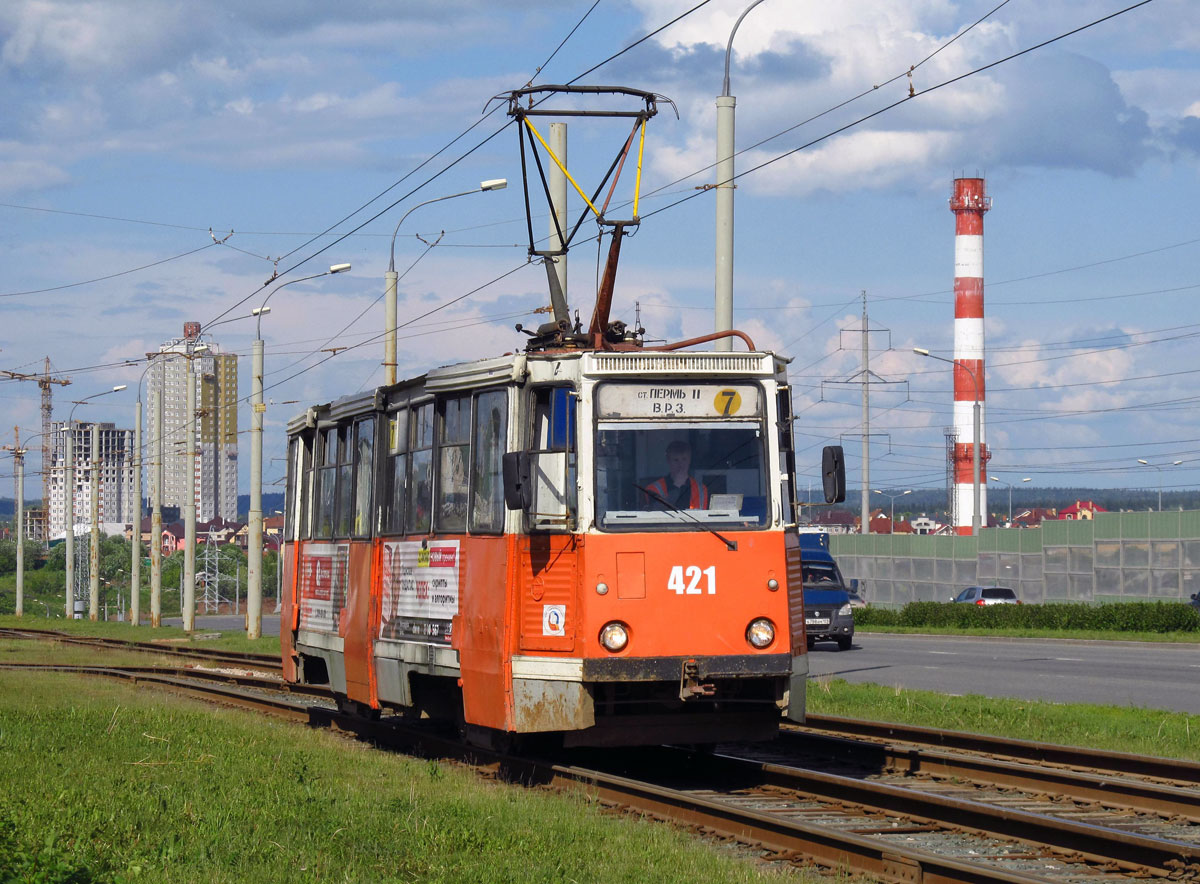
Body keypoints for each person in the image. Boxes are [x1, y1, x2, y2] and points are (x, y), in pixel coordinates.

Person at [646, 439, 709, 509]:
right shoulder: (654, 488)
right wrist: (676, 487)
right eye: (676, 460)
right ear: (668, 461)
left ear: (689, 460)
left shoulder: (701, 489)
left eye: (684, 459)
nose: (681, 465)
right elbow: (657, 511)